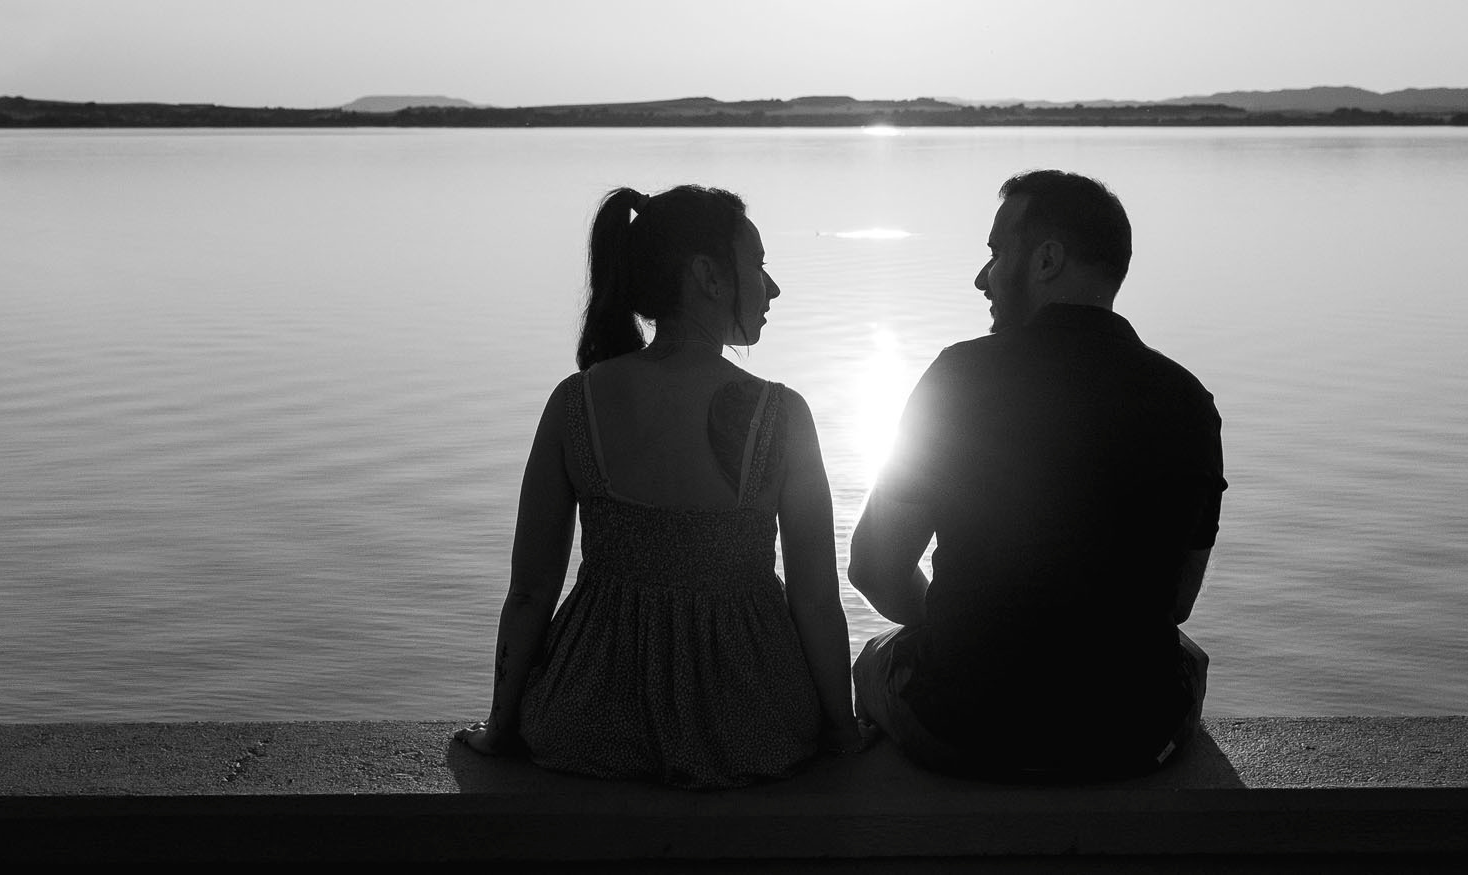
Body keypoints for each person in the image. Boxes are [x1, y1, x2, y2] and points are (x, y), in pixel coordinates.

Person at [454, 184, 865, 785]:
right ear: (708, 275)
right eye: (758, 264)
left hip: (586, 718)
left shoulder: (576, 403)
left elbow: (529, 591)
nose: (772, 288)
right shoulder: (781, 415)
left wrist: (499, 729)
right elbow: (816, 600)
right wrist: (843, 732)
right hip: (750, 723)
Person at [848, 169, 1225, 781]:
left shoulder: (959, 378)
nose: (982, 278)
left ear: (1047, 260)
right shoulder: (1188, 400)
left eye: (997, 253)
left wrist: (963, 637)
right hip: (1128, 737)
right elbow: (1176, 603)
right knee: (1186, 656)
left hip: (964, 730)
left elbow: (874, 568)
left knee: (874, 661)